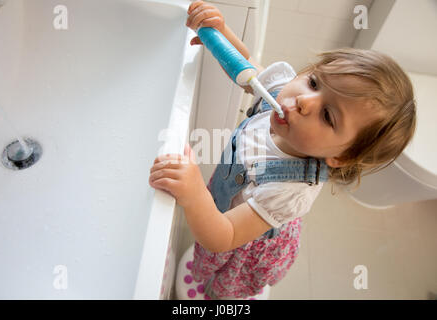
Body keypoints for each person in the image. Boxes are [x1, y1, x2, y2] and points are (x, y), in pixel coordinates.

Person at [149, 0, 416, 299]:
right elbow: (245, 69)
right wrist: (221, 33)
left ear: (339, 156)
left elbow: (223, 237)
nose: (304, 100)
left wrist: (194, 193)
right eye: (314, 82)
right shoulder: (284, 94)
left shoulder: (289, 189)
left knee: (226, 283)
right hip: (226, 203)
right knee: (207, 258)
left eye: (328, 115)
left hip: (244, 239)